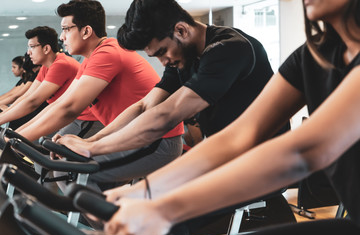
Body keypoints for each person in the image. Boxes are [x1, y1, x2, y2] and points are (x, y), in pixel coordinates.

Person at [101, 0, 360, 235]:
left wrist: (165, 206)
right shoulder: (313, 55)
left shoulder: (231, 47)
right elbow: (239, 134)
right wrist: (144, 190)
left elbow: (303, 151)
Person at [56, 0, 288, 169]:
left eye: (162, 52)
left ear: (181, 30)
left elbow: (166, 116)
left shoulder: (229, 49)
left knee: (154, 209)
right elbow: (144, 106)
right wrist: (91, 140)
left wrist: (92, 149)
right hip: (227, 155)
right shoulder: (181, 57)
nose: (163, 61)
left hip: (264, 160)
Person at [17, 0, 184, 191]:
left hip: (157, 141)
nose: (62, 37)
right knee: (66, 172)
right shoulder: (91, 59)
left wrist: (14, 140)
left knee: (69, 174)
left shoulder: (108, 52)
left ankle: (113, 221)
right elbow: (61, 103)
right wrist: (16, 137)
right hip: (130, 137)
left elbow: (69, 109)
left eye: (66, 29)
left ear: (86, 31)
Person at [0, 26, 102, 137]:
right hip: (69, 116)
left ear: (46, 49)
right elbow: (27, 97)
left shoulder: (61, 64)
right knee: (16, 139)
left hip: (86, 119)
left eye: (32, 47)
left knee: (21, 144)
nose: (28, 52)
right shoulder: (46, 66)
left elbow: (33, 102)